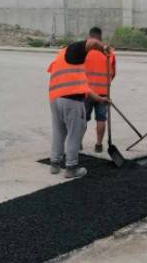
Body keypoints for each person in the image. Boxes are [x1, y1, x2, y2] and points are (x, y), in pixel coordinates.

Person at [47, 33, 110, 179]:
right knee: (75, 134)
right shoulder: (74, 50)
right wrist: (104, 48)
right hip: (71, 101)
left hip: (55, 99)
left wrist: (100, 99)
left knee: (59, 132)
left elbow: (84, 88)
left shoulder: (61, 57)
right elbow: (93, 42)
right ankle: (71, 167)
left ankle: (55, 164)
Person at [83, 27, 116, 153]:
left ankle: (78, 142)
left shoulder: (85, 52)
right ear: (100, 38)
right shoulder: (109, 53)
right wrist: (104, 84)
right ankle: (98, 145)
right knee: (101, 119)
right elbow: (112, 73)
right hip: (103, 93)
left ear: (90, 37)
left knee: (83, 119)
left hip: (86, 92)